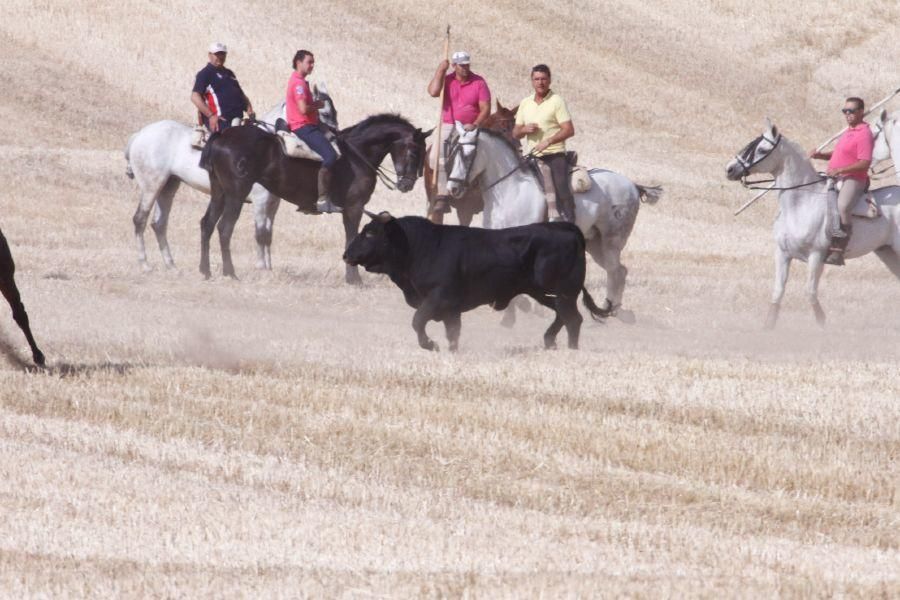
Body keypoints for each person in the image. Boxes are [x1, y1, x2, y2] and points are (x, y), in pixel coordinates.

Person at [426, 50, 492, 223]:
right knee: (435, 156)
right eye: (462, 65)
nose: (465, 68)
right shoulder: (446, 80)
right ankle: (442, 196)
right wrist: (440, 70)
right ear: (454, 66)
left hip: (472, 125)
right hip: (449, 124)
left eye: (467, 64)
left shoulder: (479, 82)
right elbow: (433, 92)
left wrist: (476, 124)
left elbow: (485, 108)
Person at [810, 97, 873, 266]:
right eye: (845, 111)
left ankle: (839, 249)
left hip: (855, 178)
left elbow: (864, 162)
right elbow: (840, 154)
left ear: (861, 112)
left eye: (851, 111)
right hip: (837, 176)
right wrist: (821, 156)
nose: (847, 114)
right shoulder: (848, 131)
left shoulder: (864, 133)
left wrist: (840, 170)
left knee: (843, 206)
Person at [512, 64, 576, 222]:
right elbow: (515, 133)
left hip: (554, 154)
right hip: (531, 156)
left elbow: (569, 130)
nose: (540, 82)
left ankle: (570, 222)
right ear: (532, 81)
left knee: (561, 186)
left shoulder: (557, 101)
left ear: (549, 81)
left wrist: (548, 141)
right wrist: (524, 129)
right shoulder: (525, 103)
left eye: (543, 79)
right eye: (537, 79)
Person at [286, 49, 341, 214]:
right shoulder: (299, 84)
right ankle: (323, 199)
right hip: (303, 126)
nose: (312, 65)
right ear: (298, 62)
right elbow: (303, 109)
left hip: (309, 124)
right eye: (309, 62)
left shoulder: (300, 81)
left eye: (313, 62)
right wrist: (318, 105)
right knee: (331, 156)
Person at [191, 42, 254, 133]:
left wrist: (250, 111)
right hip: (221, 121)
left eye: (222, 54)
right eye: (217, 54)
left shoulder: (229, 73)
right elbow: (195, 96)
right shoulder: (205, 74)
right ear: (209, 55)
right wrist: (211, 116)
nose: (220, 57)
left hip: (237, 120)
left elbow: (241, 94)